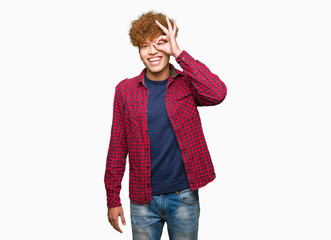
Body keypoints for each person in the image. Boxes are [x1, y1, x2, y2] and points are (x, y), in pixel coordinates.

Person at [104, 11, 227, 240]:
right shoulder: (125, 91)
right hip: (143, 200)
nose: (152, 51)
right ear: (138, 51)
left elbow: (218, 92)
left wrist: (179, 53)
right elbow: (117, 147)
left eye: (160, 43)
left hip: (183, 197)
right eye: (144, 45)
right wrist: (113, 198)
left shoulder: (187, 84)